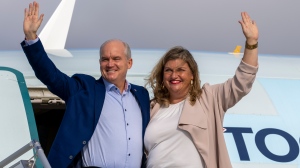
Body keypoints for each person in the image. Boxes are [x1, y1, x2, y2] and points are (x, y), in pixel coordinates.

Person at [21, 2, 150, 168]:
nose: (110, 64)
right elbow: (51, 76)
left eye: (116, 59)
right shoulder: (84, 90)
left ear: (129, 63)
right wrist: (32, 38)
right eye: (105, 59)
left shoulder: (141, 95)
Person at [144, 12, 258, 168]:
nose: (174, 75)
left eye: (180, 70)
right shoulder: (152, 108)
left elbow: (242, 82)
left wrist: (251, 42)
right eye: (168, 70)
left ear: (192, 74)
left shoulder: (209, 99)